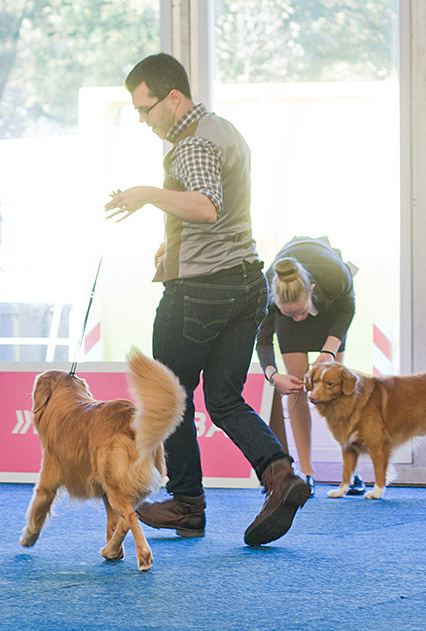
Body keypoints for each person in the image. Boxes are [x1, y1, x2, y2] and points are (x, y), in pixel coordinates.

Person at [105, 53, 309, 546]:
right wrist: (173, 240)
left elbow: (206, 205)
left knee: (169, 398)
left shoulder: (189, 145)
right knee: (224, 398)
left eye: (145, 108)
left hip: (199, 292)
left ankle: (187, 504)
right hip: (245, 283)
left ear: (173, 99)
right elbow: (224, 209)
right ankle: (280, 475)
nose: (142, 119)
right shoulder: (223, 129)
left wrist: (148, 194)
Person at [256, 236, 365, 497]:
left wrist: (329, 350)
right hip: (290, 323)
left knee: (338, 392)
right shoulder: (267, 293)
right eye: (289, 313)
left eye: (301, 311)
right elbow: (261, 339)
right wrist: (273, 376)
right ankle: (307, 473)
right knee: (297, 388)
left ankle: (350, 471)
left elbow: (348, 310)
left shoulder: (335, 275)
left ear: (312, 289)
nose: (298, 318)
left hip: (332, 314)